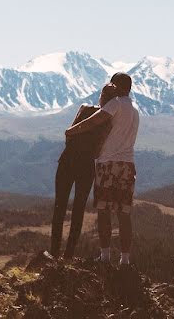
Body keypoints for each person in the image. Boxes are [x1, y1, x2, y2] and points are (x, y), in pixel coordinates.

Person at [65, 72, 139, 266]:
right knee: (124, 213)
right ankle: (125, 259)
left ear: (117, 86)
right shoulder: (135, 110)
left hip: (108, 164)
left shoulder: (115, 104)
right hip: (128, 165)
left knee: (104, 211)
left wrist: (71, 130)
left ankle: (105, 257)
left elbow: (93, 122)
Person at [48, 83, 117, 259]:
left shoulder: (84, 108)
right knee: (78, 209)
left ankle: (54, 251)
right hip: (86, 165)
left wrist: (73, 141)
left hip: (68, 159)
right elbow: (99, 148)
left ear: (102, 96)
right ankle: (69, 253)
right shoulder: (109, 121)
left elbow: (69, 133)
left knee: (60, 206)